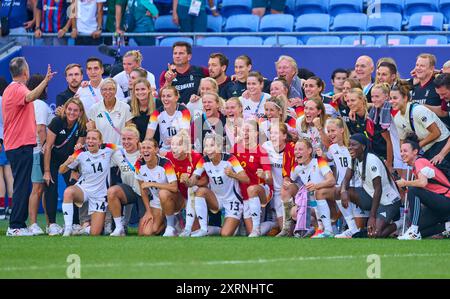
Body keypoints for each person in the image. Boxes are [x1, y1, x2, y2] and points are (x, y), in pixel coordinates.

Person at [2, 58, 55, 236]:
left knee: (23, 186)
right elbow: (30, 96)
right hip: (19, 144)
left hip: (17, 144)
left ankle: (19, 224)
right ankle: (15, 226)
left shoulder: (12, 88)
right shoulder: (18, 88)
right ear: (25, 72)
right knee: (21, 187)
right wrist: (45, 82)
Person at [187, 133, 249, 237]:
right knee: (199, 191)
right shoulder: (204, 160)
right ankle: (203, 229)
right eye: (206, 146)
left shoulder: (230, 159)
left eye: (212, 145)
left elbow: (246, 179)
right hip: (216, 199)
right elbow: (194, 178)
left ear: (220, 147)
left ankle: (237, 223)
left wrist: (233, 174)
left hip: (232, 200)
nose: (208, 149)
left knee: (225, 234)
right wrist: (187, 181)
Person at [341, 133, 401, 238]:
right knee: (337, 191)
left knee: (374, 234)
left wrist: (372, 217)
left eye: (353, 145)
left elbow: (378, 189)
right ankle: (352, 228)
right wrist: (343, 191)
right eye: (349, 145)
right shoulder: (355, 158)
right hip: (371, 196)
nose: (350, 148)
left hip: (388, 202)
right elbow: (346, 179)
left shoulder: (371, 160)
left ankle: (400, 223)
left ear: (363, 147)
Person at [59, 130, 117, 236]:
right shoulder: (80, 152)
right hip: (84, 190)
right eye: (88, 138)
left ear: (100, 142)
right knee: (68, 192)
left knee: (95, 233)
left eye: (94, 139)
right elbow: (61, 170)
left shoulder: (108, 149)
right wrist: (67, 162)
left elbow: (123, 147)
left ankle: (83, 229)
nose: (90, 141)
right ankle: (68, 229)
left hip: (100, 195)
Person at [43, 97, 87, 236]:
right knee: (51, 188)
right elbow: (48, 147)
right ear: (65, 109)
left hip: (69, 161)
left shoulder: (81, 125)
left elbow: (77, 151)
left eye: (75, 110)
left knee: (73, 187)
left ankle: (74, 224)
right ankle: (51, 224)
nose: (72, 113)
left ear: (80, 112)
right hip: (52, 159)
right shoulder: (57, 121)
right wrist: (47, 171)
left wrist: (74, 169)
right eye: (69, 109)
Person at [396, 134, 450, 240]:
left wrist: (405, 183)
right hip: (439, 204)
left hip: (446, 200)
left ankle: (414, 231)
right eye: (401, 151)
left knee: (413, 190)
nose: (402, 154)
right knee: (422, 230)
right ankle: (447, 226)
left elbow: (422, 183)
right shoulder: (416, 166)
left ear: (415, 152)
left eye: (405, 151)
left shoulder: (419, 161)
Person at [285, 138, 336, 238]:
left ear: (309, 151)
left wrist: (316, 186)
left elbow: (332, 180)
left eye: (300, 149)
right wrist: (288, 184)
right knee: (294, 212)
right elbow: (291, 179)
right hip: (313, 204)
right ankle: (316, 228)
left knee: (317, 193)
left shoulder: (319, 161)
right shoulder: (297, 167)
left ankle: (327, 229)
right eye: (295, 149)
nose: (297, 152)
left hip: (329, 201)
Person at [390, 81, 450, 165]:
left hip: (442, 143)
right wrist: (405, 153)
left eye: (395, 98)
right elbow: (402, 140)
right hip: (427, 148)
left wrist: (416, 147)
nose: (391, 101)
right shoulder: (397, 118)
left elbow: (436, 133)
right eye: (390, 98)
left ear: (405, 98)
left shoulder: (418, 110)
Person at [232, 120, 273, 237]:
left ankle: (256, 228)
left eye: (248, 130)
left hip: (262, 191)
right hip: (243, 193)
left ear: (256, 134)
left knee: (252, 189)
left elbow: (269, 179)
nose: (245, 133)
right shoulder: (236, 148)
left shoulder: (262, 152)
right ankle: (272, 224)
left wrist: (264, 176)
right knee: (250, 234)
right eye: (243, 130)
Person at [164, 130, 207, 237]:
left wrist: (190, 182)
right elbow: (154, 158)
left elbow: (205, 181)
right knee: (164, 193)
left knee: (195, 230)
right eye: (172, 144)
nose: (174, 147)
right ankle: (173, 223)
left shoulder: (196, 157)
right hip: (179, 196)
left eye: (178, 144)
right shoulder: (168, 157)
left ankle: (215, 229)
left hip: (195, 197)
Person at [134, 139, 181, 236]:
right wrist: (148, 211)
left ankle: (171, 226)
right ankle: (166, 223)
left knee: (162, 193)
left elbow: (174, 187)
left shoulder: (165, 163)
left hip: (173, 198)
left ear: (156, 150)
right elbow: (143, 191)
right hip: (156, 202)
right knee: (144, 233)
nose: (145, 150)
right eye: (143, 148)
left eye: (149, 148)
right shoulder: (138, 165)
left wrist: (153, 184)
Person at [26, 74, 54, 236]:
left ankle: (48, 223)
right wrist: (45, 148)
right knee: (37, 188)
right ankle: (33, 224)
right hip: (39, 151)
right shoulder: (40, 105)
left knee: (42, 188)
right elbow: (41, 128)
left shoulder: (32, 103)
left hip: (35, 150)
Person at [107, 125, 142, 236]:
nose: (126, 142)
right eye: (124, 139)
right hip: (129, 191)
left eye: (129, 139)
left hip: (145, 193)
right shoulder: (117, 154)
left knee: (146, 232)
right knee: (112, 191)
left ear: (137, 139)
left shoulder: (144, 151)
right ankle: (119, 227)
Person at [262, 123, 295, 232]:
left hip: (289, 188)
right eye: (271, 133)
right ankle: (273, 225)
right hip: (274, 190)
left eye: (276, 133)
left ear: (285, 136)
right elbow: (262, 166)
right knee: (284, 230)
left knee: (290, 229)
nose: (273, 136)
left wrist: (289, 180)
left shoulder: (292, 148)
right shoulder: (265, 147)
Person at [87, 78, 133, 146]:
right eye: (104, 89)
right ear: (101, 91)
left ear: (116, 90)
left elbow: (129, 132)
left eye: (111, 89)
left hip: (119, 150)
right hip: (101, 151)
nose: (107, 92)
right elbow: (92, 132)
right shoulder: (94, 108)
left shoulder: (125, 108)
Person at [146, 86, 191, 153]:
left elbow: (184, 134)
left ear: (176, 98)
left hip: (181, 149)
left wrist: (175, 140)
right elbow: (148, 137)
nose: (165, 99)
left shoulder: (184, 111)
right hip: (164, 150)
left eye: (169, 96)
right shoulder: (156, 113)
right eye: (163, 96)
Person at [411, 53, 450, 128]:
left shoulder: (440, 85)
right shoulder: (412, 86)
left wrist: (421, 106)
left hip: (441, 133)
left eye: (422, 66)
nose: (418, 68)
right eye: (417, 65)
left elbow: (444, 111)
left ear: (432, 68)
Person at [0, 76, 13, 220]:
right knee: (10, 175)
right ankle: (12, 207)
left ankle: (2, 208)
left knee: (0, 176)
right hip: (9, 140)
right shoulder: (7, 101)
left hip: (1, 140)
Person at [130, 78, 156, 142]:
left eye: (143, 89)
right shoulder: (130, 106)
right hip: (138, 146)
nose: (140, 92)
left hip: (157, 146)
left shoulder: (158, 104)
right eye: (137, 90)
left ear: (149, 89)